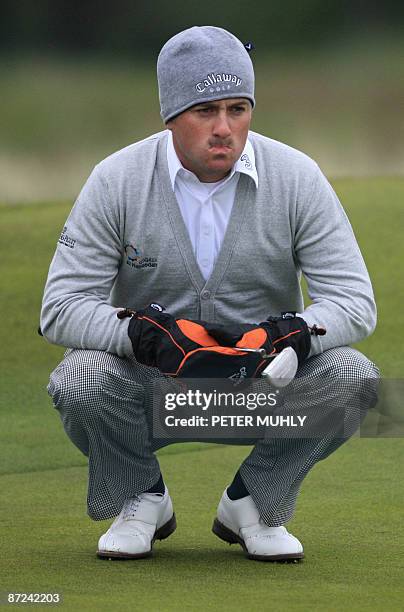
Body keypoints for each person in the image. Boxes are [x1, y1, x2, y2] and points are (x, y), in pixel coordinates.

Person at [40, 26, 378, 562]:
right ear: (171, 114)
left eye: (238, 109)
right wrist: (141, 334)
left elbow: (355, 301)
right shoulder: (115, 179)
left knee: (357, 378)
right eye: (205, 111)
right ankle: (141, 496)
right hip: (156, 393)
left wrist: (294, 334)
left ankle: (254, 505)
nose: (225, 129)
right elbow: (60, 309)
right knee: (77, 377)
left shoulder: (298, 177)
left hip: (264, 387)